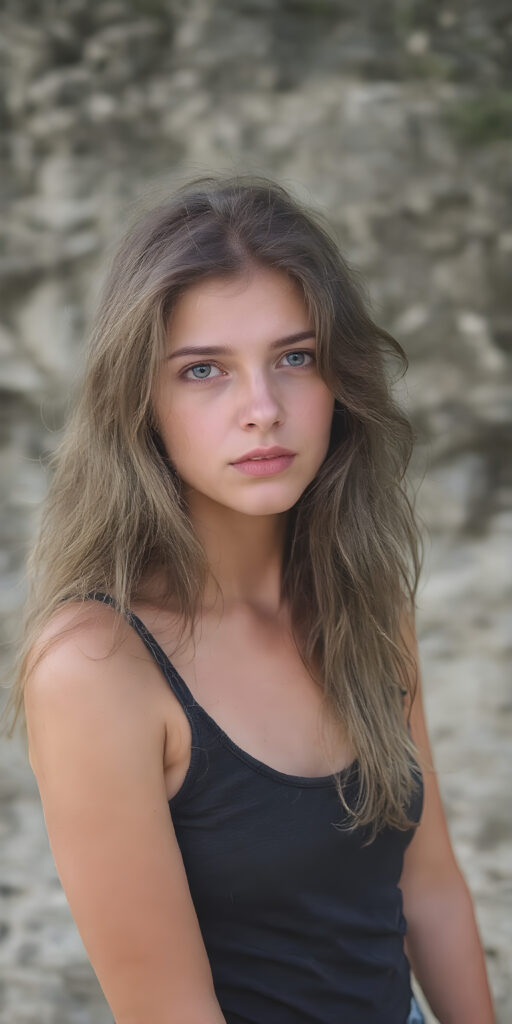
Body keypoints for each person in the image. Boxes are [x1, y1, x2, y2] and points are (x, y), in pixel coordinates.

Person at [3, 174, 494, 1023]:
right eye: (204, 371)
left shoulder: (366, 600)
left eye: (295, 358)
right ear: (140, 403)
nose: (262, 410)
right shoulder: (95, 667)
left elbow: (428, 886)